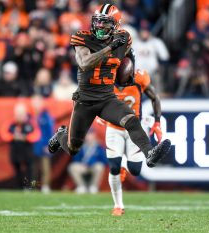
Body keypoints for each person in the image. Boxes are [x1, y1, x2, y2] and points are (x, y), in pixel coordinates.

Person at [48, 4, 171, 170]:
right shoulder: (82, 38)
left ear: (115, 25)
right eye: (98, 22)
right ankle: (61, 134)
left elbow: (127, 60)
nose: (99, 26)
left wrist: (129, 72)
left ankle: (149, 153)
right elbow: (84, 63)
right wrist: (110, 47)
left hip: (107, 98)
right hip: (85, 99)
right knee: (73, 148)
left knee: (131, 119)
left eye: (104, 22)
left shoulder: (124, 39)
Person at [106, 65, 162, 216]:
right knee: (113, 167)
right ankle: (118, 205)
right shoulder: (106, 76)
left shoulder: (139, 77)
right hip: (114, 128)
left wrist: (157, 122)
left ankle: (125, 164)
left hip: (134, 128)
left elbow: (155, 97)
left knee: (135, 170)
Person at [0, 103, 41, 189]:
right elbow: (3, 134)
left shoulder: (30, 124)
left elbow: (36, 135)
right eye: (18, 114)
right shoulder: (11, 124)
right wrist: (12, 137)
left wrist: (25, 137)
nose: (20, 116)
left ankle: (29, 188)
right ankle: (19, 187)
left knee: (30, 169)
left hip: (27, 151)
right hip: (15, 151)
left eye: (22, 114)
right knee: (17, 170)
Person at [68, 128, 106, 194]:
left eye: (91, 134)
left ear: (94, 135)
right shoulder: (80, 146)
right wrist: (82, 165)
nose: (89, 136)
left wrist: (91, 164)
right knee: (72, 167)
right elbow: (76, 159)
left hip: (93, 167)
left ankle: (93, 187)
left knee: (100, 166)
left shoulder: (98, 146)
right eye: (87, 135)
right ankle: (81, 186)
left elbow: (104, 160)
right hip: (83, 167)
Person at [31, 95, 54, 194]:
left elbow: (50, 131)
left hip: (44, 145)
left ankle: (45, 186)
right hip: (33, 145)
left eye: (38, 102)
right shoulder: (30, 116)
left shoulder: (46, 116)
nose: (36, 105)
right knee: (33, 168)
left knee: (45, 167)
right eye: (34, 102)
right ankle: (34, 186)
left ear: (41, 103)